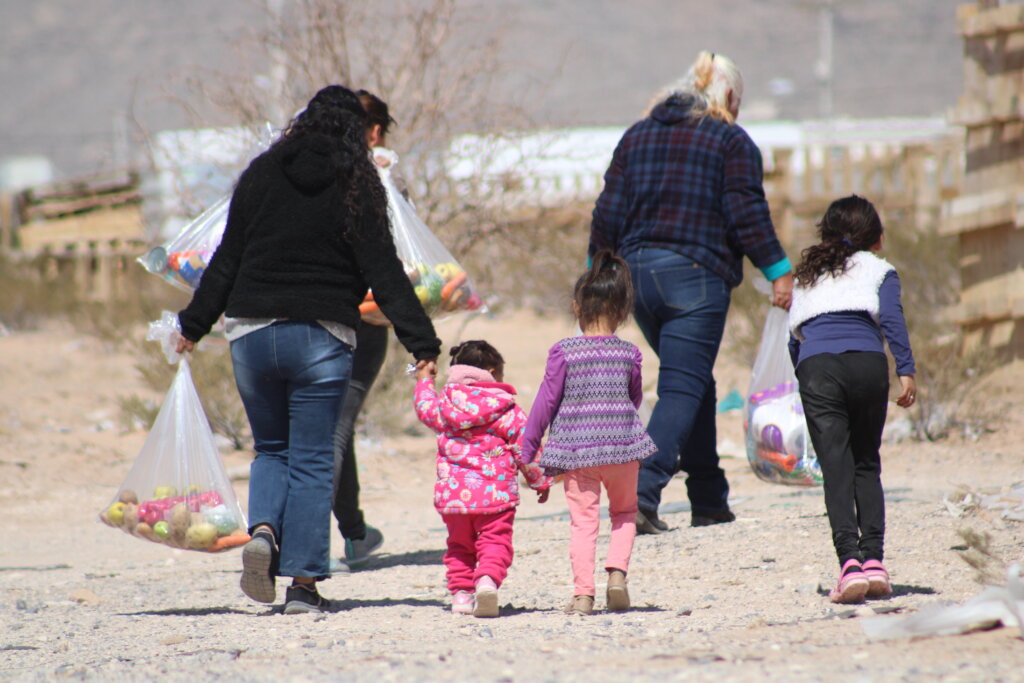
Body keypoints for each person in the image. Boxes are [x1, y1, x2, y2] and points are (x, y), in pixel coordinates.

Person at [175, 85, 441, 614]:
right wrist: (422, 340)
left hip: (250, 333)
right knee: (315, 460)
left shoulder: (261, 173)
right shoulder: (357, 182)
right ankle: (302, 584)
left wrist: (192, 323)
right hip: (321, 335)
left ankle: (265, 532)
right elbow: (382, 269)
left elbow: (226, 258)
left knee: (271, 449)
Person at [589, 50, 793, 533]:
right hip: (695, 279)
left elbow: (607, 211)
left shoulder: (636, 136)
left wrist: (597, 274)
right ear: (727, 97)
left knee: (694, 380)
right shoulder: (730, 140)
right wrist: (778, 270)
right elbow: (746, 213)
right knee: (683, 385)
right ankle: (640, 495)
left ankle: (708, 499)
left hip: (637, 278)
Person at [787, 194, 916, 604]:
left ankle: (849, 564)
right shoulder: (881, 270)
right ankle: (875, 560)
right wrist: (907, 370)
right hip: (867, 365)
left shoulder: (806, 275)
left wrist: (806, 377)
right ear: (875, 238)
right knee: (865, 461)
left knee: (836, 466)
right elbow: (892, 320)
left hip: (818, 368)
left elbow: (795, 336)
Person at [521, 251, 658, 616]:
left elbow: (545, 402)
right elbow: (634, 399)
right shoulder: (630, 354)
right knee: (625, 513)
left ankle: (583, 595)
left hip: (578, 454)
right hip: (623, 450)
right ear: (623, 312)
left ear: (576, 308)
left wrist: (528, 448)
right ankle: (617, 576)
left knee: (584, 523)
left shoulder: (564, 352)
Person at [413, 340, 552, 617]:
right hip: (495, 497)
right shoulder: (506, 409)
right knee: (495, 541)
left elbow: (423, 407)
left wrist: (424, 382)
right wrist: (539, 481)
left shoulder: (445, 407)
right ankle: (487, 581)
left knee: (459, 546)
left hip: (453, 499)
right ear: (490, 372)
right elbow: (527, 448)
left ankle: (461, 596)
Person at [329, 90, 400, 573]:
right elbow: (400, 256)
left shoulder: (294, 169)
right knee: (333, 427)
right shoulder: (376, 177)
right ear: (374, 132)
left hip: (300, 311)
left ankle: (353, 532)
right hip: (364, 316)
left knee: (328, 425)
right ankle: (301, 543)